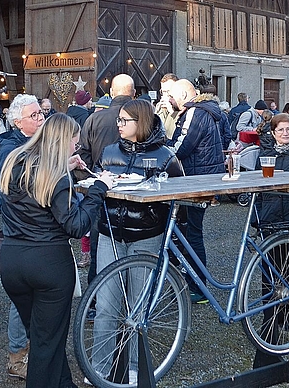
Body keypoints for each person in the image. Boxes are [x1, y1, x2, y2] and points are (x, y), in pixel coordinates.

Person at [0, 113, 114, 388]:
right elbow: (75, 226)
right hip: (48, 263)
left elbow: (37, 184)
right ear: (63, 141)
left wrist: (67, 167)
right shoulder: (56, 176)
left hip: (12, 260)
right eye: (74, 142)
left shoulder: (14, 160)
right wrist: (98, 190)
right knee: (47, 341)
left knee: (42, 336)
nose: (76, 147)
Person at [92, 99, 184, 380]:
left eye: (124, 121)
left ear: (140, 122)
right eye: (118, 120)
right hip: (110, 234)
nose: (118, 125)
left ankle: (135, 367)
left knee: (139, 306)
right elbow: (95, 186)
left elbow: (178, 200)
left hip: (146, 236)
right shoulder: (108, 152)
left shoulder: (166, 157)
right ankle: (100, 367)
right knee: (106, 304)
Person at [0, 94, 44, 380]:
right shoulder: (10, 149)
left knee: (34, 294)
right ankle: (17, 356)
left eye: (40, 113)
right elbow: (14, 191)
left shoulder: (35, 144)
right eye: (34, 115)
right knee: (22, 295)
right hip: (21, 232)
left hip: (35, 232)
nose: (40, 119)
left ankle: (29, 348)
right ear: (18, 122)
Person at [169, 78, 227, 303]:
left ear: (183, 95)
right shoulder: (206, 111)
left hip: (195, 181)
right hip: (203, 178)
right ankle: (193, 282)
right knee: (191, 231)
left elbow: (180, 147)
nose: (169, 100)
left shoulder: (194, 112)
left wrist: (160, 148)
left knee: (192, 233)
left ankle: (198, 286)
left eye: (171, 96)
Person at [78, 74, 135, 288]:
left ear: (111, 93)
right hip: (134, 195)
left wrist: (89, 184)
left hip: (100, 191)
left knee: (98, 249)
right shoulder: (144, 119)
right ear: (133, 94)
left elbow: (83, 156)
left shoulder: (94, 118)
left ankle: (94, 304)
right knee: (133, 251)